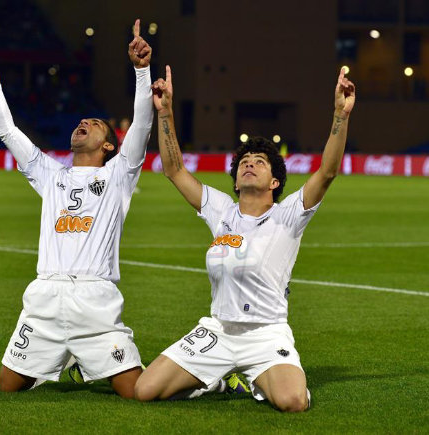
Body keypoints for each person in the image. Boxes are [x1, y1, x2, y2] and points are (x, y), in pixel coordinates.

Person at [134, 66, 355, 412]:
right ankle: (219, 380)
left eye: (260, 162)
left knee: (293, 402)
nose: (249, 164)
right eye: (244, 162)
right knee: (145, 389)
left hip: (265, 334)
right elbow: (174, 170)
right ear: (235, 181)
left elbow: (327, 172)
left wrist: (340, 115)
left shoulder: (288, 215)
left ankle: (257, 376)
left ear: (275, 183)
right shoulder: (221, 210)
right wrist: (165, 112)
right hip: (218, 330)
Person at [0, 20, 153, 398]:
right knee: (8, 388)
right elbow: (7, 131)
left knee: (137, 390)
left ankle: (207, 379)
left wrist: (142, 72)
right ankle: (71, 363)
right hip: (45, 296)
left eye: (94, 124)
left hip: (94, 300)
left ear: (109, 146)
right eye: (80, 122)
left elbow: (141, 125)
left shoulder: (120, 175)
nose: (83, 124)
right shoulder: (50, 174)